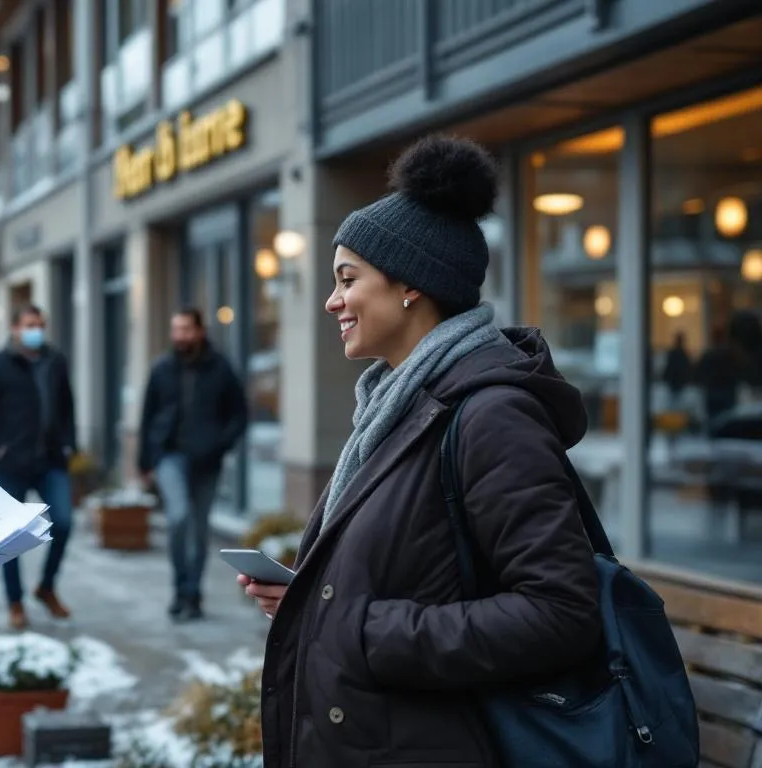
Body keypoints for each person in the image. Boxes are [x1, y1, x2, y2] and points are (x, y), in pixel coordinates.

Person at [244, 136, 601, 766]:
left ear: (409, 285)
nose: (332, 301)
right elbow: (418, 570)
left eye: (347, 279)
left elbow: (561, 612)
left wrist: (356, 630)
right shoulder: (393, 408)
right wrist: (312, 598)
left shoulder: (493, 415)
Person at [0, 305, 77, 630]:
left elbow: (67, 405)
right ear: (15, 328)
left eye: (40, 325)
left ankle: (46, 587)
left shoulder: (54, 361)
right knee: (10, 536)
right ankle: (15, 602)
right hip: (11, 463)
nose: (36, 330)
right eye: (30, 325)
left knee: (65, 521)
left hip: (51, 459)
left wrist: (70, 443)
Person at [137, 307, 248, 621]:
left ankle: (193, 594)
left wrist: (220, 444)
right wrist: (144, 461)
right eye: (176, 329)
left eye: (186, 329)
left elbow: (239, 414)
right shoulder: (161, 368)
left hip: (206, 461)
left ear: (200, 331)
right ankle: (178, 587)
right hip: (170, 457)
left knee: (199, 531)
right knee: (178, 518)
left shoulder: (220, 368)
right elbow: (147, 417)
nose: (180, 336)